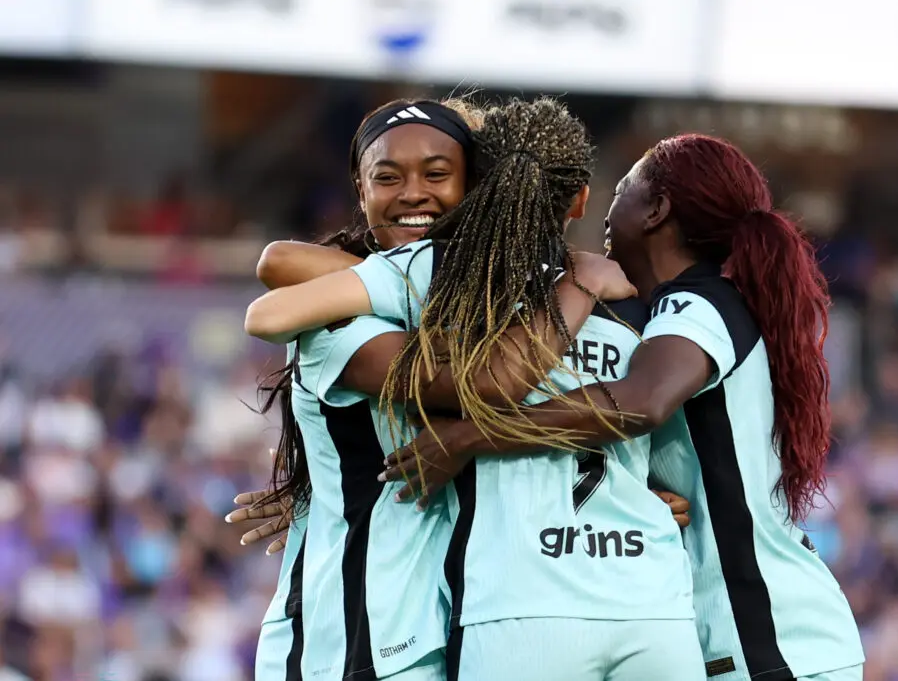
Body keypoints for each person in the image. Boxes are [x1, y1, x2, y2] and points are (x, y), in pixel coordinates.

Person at [245, 98, 706, 681]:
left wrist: (627, 497)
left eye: (438, 174)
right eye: (387, 177)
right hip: (356, 635)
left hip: (455, 627)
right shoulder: (348, 315)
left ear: (479, 188)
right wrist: (578, 283)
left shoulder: (490, 308)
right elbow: (491, 384)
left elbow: (545, 418)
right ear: (359, 192)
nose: (413, 193)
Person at [380, 134, 866, 681]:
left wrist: (472, 436)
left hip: (767, 639)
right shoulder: (677, 312)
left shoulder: (700, 303)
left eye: (625, 187)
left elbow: (641, 404)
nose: (608, 206)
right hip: (752, 634)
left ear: (656, 208)